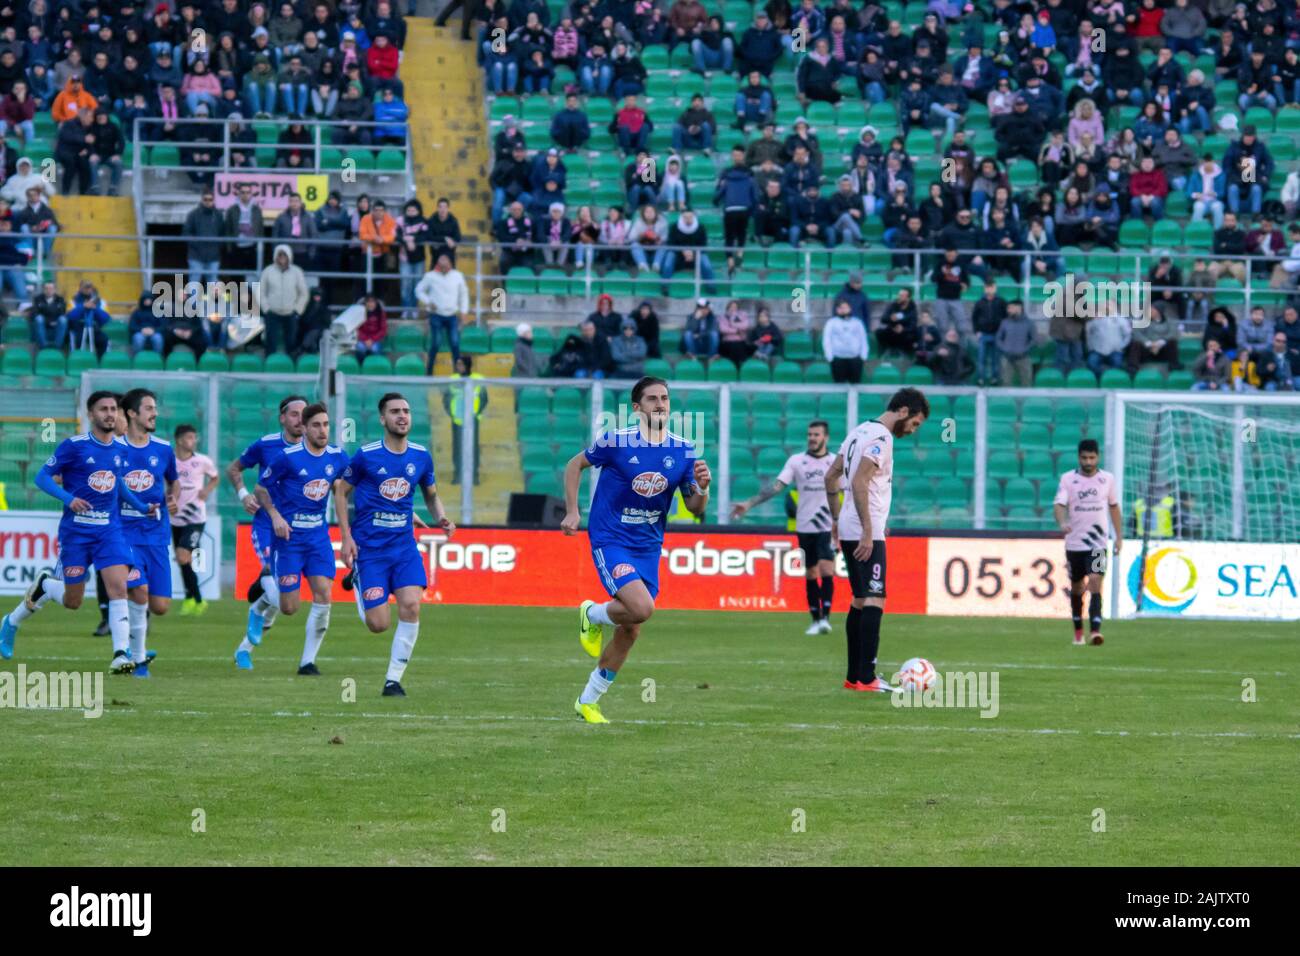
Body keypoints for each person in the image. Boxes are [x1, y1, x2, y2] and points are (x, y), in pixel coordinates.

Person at [565, 376, 712, 723]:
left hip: (648, 546)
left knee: (631, 627)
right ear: (636, 408)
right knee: (641, 608)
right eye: (652, 399)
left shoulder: (683, 449)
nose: (660, 404)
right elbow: (575, 465)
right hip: (611, 538)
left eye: (664, 398)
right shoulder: (616, 442)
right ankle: (593, 614)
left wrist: (703, 488)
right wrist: (573, 510)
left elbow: (695, 508)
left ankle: (588, 701)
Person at [0, 391, 159, 671]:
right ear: (91, 414)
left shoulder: (121, 450)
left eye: (113, 409)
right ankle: (44, 588)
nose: (110, 414)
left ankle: (120, 654)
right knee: (73, 601)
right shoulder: (74, 446)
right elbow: (41, 477)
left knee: (118, 587)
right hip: (77, 533)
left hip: (109, 532)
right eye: (103, 409)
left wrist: (141, 505)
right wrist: (68, 499)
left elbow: (118, 483)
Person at [337, 392, 454, 697]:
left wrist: (441, 517)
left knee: (412, 606)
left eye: (406, 410)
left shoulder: (420, 456)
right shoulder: (366, 455)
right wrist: (346, 537)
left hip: (403, 548)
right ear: (382, 419)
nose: (402, 416)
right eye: (394, 411)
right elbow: (341, 491)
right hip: (370, 550)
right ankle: (359, 578)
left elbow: (430, 493)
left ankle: (393, 680)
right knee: (378, 625)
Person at [824, 388, 930, 692]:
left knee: (860, 599)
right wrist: (870, 530)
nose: (912, 430)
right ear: (904, 411)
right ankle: (867, 677)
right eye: (915, 423)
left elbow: (831, 477)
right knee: (874, 597)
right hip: (862, 530)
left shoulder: (858, 431)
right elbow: (858, 481)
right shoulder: (882, 439)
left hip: (849, 525)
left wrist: (836, 519)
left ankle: (854, 677)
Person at [249, 403, 348, 675]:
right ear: (304, 428)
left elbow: (353, 487)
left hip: (318, 537)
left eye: (326, 424)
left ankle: (307, 662)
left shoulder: (338, 456)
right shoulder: (287, 457)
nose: (322, 430)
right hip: (289, 539)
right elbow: (260, 489)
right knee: (289, 607)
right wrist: (275, 516)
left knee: (323, 595)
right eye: (316, 425)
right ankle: (259, 606)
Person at [730, 420, 837, 634]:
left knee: (827, 569)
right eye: (809, 434)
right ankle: (815, 620)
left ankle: (825, 618)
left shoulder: (835, 463)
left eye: (816, 435)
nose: (812, 438)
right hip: (805, 526)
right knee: (810, 572)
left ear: (826, 438)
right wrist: (750, 503)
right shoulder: (797, 461)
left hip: (826, 525)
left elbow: (849, 492)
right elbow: (776, 487)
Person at [226, 394, 307, 661]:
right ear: (282, 418)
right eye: (293, 414)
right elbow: (234, 469)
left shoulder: (315, 449)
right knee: (276, 592)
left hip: (300, 530)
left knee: (285, 601)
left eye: (303, 414)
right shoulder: (266, 445)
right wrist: (244, 495)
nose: (300, 419)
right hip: (266, 525)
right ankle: (258, 606)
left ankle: (242, 649)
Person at [117, 389, 179, 678]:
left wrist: (174, 498)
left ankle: (133, 641)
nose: (155, 413)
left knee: (160, 605)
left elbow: (173, 482)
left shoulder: (164, 449)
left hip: (156, 536)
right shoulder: (115, 449)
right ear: (131, 413)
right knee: (138, 591)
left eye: (155, 408)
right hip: (124, 536)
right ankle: (138, 658)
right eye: (149, 408)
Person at [1053, 439, 1123, 646]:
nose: (1088, 461)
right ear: (1079, 457)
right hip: (1075, 544)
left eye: (1092, 457)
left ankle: (1095, 631)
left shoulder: (1107, 480)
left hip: (1098, 543)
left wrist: (1119, 537)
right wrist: (1062, 521)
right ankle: (1077, 631)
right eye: (1084, 457)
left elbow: (1114, 507)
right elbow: (1058, 504)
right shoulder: (1068, 479)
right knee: (1076, 587)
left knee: (1095, 582)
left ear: (1098, 457)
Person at [171, 423, 220, 616]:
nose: (193, 441)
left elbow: (215, 477)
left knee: (183, 555)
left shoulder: (202, 461)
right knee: (184, 560)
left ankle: (197, 600)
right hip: (175, 518)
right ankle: (191, 599)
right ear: (179, 440)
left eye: (194, 437)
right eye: (189, 438)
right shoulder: (170, 461)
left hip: (195, 517)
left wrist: (206, 491)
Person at [415, 252, 469, 374]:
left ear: (450, 264)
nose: (443, 267)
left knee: (455, 344)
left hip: (452, 315)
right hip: (436, 315)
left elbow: (463, 295)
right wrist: (428, 302)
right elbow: (418, 290)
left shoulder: (458, 276)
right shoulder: (430, 276)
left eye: (445, 264)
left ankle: (458, 373)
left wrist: (464, 311)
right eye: (441, 264)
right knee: (436, 343)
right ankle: (429, 372)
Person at [257, 244, 309, 355]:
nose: (282, 258)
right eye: (279, 255)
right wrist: (266, 308)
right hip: (272, 312)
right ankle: (269, 364)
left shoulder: (297, 272)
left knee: (291, 342)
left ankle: (291, 365)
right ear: (275, 256)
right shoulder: (267, 271)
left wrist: (297, 310)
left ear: (289, 256)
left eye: (284, 255)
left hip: (290, 313)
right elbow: (260, 291)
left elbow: (304, 293)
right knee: (271, 342)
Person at [183, 189, 224, 286]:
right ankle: (193, 302)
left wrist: (216, 246)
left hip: (213, 256)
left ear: (214, 200)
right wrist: (197, 244)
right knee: (194, 283)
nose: (208, 202)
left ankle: (212, 302)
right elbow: (186, 233)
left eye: (210, 199)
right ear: (201, 200)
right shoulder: (193, 214)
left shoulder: (218, 215)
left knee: (213, 284)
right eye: (205, 199)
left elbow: (222, 233)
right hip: (196, 256)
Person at [823, 299, 868, 383]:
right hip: (838, 359)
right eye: (841, 308)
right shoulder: (831, 323)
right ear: (837, 310)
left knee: (855, 385)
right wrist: (829, 357)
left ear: (850, 308)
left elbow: (863, 339)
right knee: (839, 385)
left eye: (845, 307)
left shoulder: (858, 323)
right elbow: (827, 340)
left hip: (855, 359)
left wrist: (863, 356)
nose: (843, 310)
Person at [996, 301, 1036, 386]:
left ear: (1019, 308)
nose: (1008, 310)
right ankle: (1006, 399)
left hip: (1023, 358)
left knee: (1026, 382)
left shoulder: (1029, 323)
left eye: (1010, 308)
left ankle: (1026, 399)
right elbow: (998, 338)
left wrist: (1024, 350)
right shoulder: (1005, 322)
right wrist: (1004, 349)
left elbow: (1033, 340)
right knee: (1005, 383)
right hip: (1007, 358)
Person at [354, 293, 388, 360]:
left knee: (375, 349)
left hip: (376, 340)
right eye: (368, 302)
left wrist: (372, 340)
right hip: (363, 340)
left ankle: (377, 366)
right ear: (365, 303)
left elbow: (383, 330)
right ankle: (361, 367)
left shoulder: (381, 313)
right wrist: (365, 339)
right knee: (360, 347)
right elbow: (357, 329)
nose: (370, 304)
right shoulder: (361, 313)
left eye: (372, 302)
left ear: (376, 303)